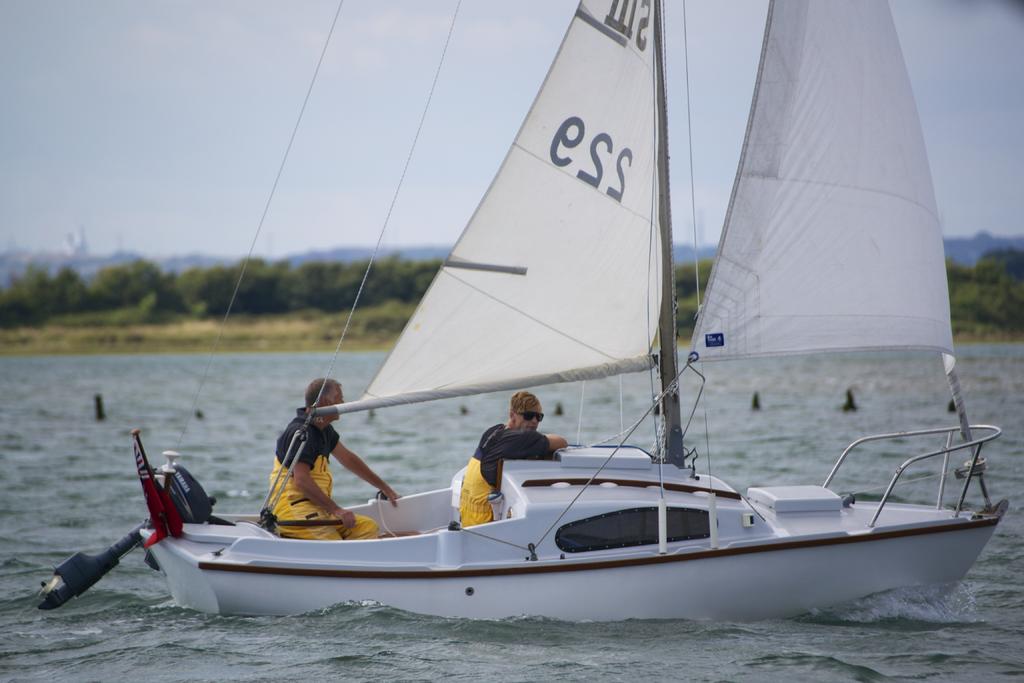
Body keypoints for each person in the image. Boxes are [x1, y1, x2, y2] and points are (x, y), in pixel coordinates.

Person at [268, 378, 400, 540]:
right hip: (294, 511)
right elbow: (301, 480)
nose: (343, 403)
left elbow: (349, 459)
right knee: (334, 543)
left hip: (317, 508)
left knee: (368, 527)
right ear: (325, 401)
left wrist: (384, 488)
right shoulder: (303, 433)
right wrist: (336, 510)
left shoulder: (324, 430)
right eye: (339, 398)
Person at [459, 391, 568, 527]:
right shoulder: (522, 438)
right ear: (512, 415)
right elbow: (562, 442)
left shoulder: (493, 431)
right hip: (484, 525)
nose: (534, 421)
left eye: (539, 417)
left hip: (467, 520)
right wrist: (539, 440)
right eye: (528, 416)